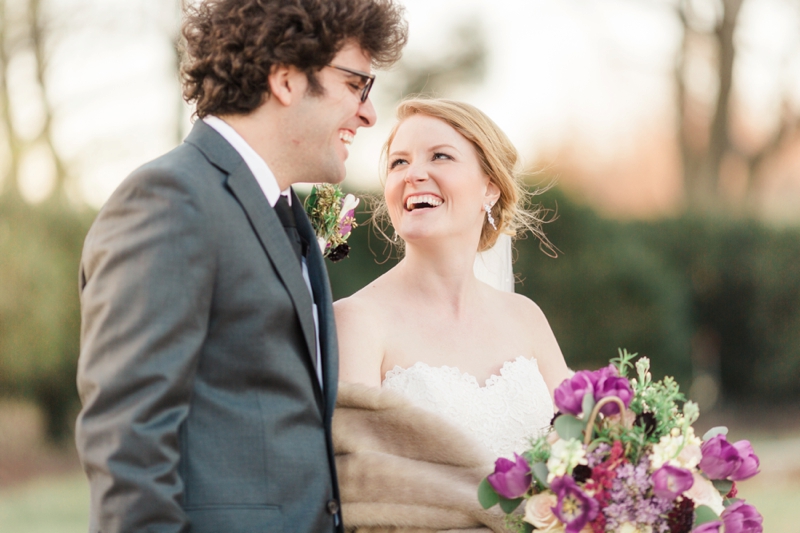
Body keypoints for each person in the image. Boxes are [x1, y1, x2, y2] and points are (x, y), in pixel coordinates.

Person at [74, 1, 407, 532]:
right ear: (286, 79)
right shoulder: (170, 199)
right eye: (356, 84)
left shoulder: (285, 212)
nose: (369, 112)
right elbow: (127, 446)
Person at [332, 99, 573, 531]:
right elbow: (363, 495)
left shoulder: (526, 318)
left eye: (439, 156)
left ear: (490, 187)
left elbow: (587, 454)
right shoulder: (357, 323)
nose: (413, 174)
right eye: (398, 162)